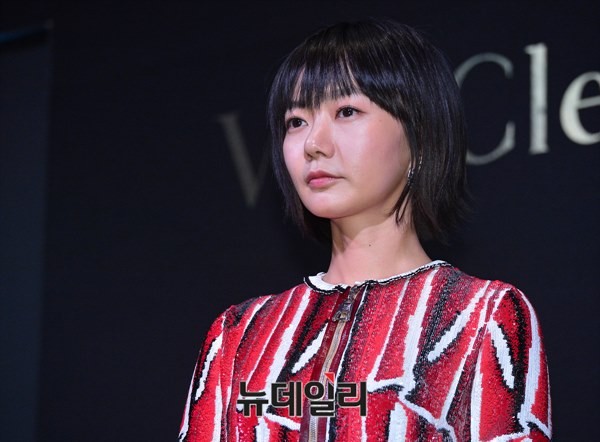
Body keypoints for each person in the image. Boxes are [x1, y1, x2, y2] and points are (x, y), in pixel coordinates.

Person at [178, 19, 551, 441]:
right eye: (296, 121)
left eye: (347, 112)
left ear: (420, 136)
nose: (313, 143)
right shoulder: (239, 334)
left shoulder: (483, 317)